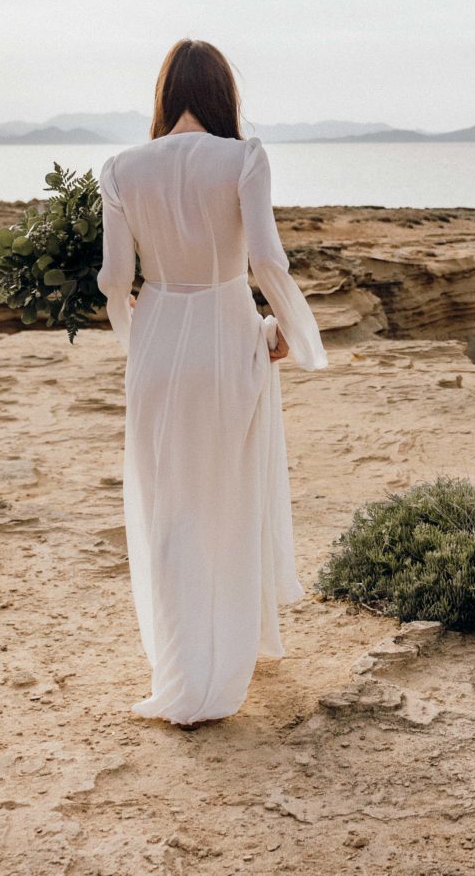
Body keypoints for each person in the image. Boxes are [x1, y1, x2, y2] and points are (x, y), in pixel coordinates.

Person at [94, 39, 327, 727]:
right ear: (224, 93)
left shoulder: (120, 168)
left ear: (165, 94)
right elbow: (265, 256)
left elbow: (113, 280)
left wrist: (131, 332)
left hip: (159, 333)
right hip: (227, 334)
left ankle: (178, 670)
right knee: (228, 497)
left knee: (168, 503)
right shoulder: (245, 157)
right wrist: (292, 332)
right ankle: (222, 665)